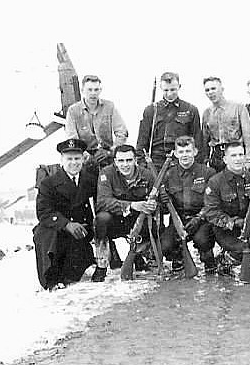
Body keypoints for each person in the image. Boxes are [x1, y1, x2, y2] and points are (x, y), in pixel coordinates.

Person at [202, 141, 250, 275]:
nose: (238, 159)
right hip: (227, 229)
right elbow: (211, 212)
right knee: (246, 251)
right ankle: (225, 260)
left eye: (240, 155)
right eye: (233, 156)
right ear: (225, 159)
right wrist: (233, 222)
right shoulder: (215, 182)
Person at [33, 138, 96, 290]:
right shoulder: (48, 183)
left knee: (75, 273)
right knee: (43, 232)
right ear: (62, 160)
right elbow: (43, 212)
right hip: (59, 232)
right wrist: (66, 224)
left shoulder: (90, 180)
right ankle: (50, 280)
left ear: (83, 159)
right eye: (69, 159)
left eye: (77, 158)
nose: (74, 163)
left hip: (81, 232)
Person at [92, 144, 158, 282]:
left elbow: (160, 199)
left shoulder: (147, 175)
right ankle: (101, 265)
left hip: (138, 221)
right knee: (101, 219)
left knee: (153, 224)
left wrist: (153, 205)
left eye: (129, 160)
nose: (125, 165)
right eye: (121, 161)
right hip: (115, 220)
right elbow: (102, 202)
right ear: (115, 161)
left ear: (135, 160)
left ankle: (140, 255)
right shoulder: (106, 174)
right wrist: (132, 205)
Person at [158, 136, 218, 274]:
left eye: (188, 151)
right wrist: (162, 201)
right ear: (175, 153)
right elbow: (164, 210)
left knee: (202, 240)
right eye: (181, 152)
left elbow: (213, 203)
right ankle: (178, 259)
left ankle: (208, 261)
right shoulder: (168, 175)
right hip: (178, 221)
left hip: (202, 220)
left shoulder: (208, 173)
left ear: (195, 152)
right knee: (165, 245)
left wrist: (199, 218)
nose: (184, 155)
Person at [137, 72, 204, 170]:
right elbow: (142, 142)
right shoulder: (151, 110)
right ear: (161, 88)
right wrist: (143, 167)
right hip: (156, 163)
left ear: (179, 86)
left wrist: (196, 166)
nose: (169, 94)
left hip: (181, 161)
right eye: (166, 90)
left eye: (173, 89)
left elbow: (198, 142)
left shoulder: (191, 110)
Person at [64, 75, 128, 168]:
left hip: (107, 155)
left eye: (96, 90)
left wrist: (112, 151)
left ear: (100, 90)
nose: (93, 93)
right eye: (89, 90)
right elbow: (72, 137)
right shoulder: (73, 111)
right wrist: (86, 155)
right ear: (82, 90)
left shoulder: (109, 106)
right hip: (85, 158)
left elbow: (122, 131)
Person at [201, 76, 250, 172]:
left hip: (236, 153)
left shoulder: (238, 108)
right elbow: (205, 141)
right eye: (207, 90)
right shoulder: (206, 113)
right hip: (217, 157)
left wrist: (248, 160)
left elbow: (248, 136)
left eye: (213, 88)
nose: (210, 92)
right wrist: (204, 163)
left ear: (222, 89)